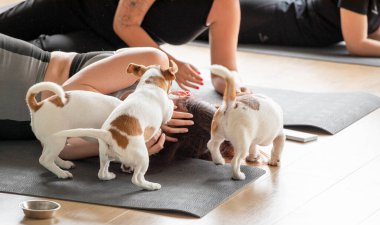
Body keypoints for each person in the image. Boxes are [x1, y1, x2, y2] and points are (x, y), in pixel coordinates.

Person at [0, 33, 197, 159]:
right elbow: (64, 97)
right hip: (20, 71)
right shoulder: (154, 63)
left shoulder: (129, 134)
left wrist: (118, 144)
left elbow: (60, 147)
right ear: (178, 94)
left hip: (15, 123)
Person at [0, 0, 243, 94]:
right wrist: (174, 64)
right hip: (73, 6)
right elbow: (125, 24)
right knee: (5, 33)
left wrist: (235, 89)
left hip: (107, 44)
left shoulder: (226, 6)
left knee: (39, 56)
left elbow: (223, 71)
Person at [237, 0, 380, 56]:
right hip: (283, 21)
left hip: (298, 24)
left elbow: (372, 31)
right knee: (222, 14)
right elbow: (356, 44)